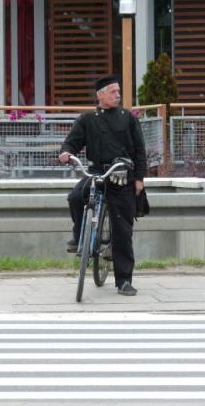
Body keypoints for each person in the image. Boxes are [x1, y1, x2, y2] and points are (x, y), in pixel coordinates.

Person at [58, 75, 147, 296]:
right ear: (100, 95)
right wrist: (66, 152)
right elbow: (72, 141)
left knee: (122, 230)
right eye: (113, 91)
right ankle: (79, 236)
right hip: (98, 172)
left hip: (122, 175)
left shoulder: (128, 118)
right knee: (76, 196)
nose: (118, 95)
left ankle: (124, 281)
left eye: (118, 91)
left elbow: (139, 150)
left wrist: (139, 179)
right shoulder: (87, 119)